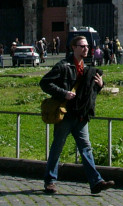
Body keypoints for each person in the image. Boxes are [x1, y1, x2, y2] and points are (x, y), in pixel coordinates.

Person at [39, 35, 114, 195]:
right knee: (57, 148)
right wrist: (63, 93)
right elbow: (44, 83)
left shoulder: (87, 68)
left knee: (86, 148)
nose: (86, 49)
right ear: (73, 48)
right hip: (65, 114)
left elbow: (89, 92)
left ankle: (96, 182)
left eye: (87, 46)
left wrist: (100, 85)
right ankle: (50, 181)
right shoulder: (63, 66)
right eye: (82, 46)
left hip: (80, 115)